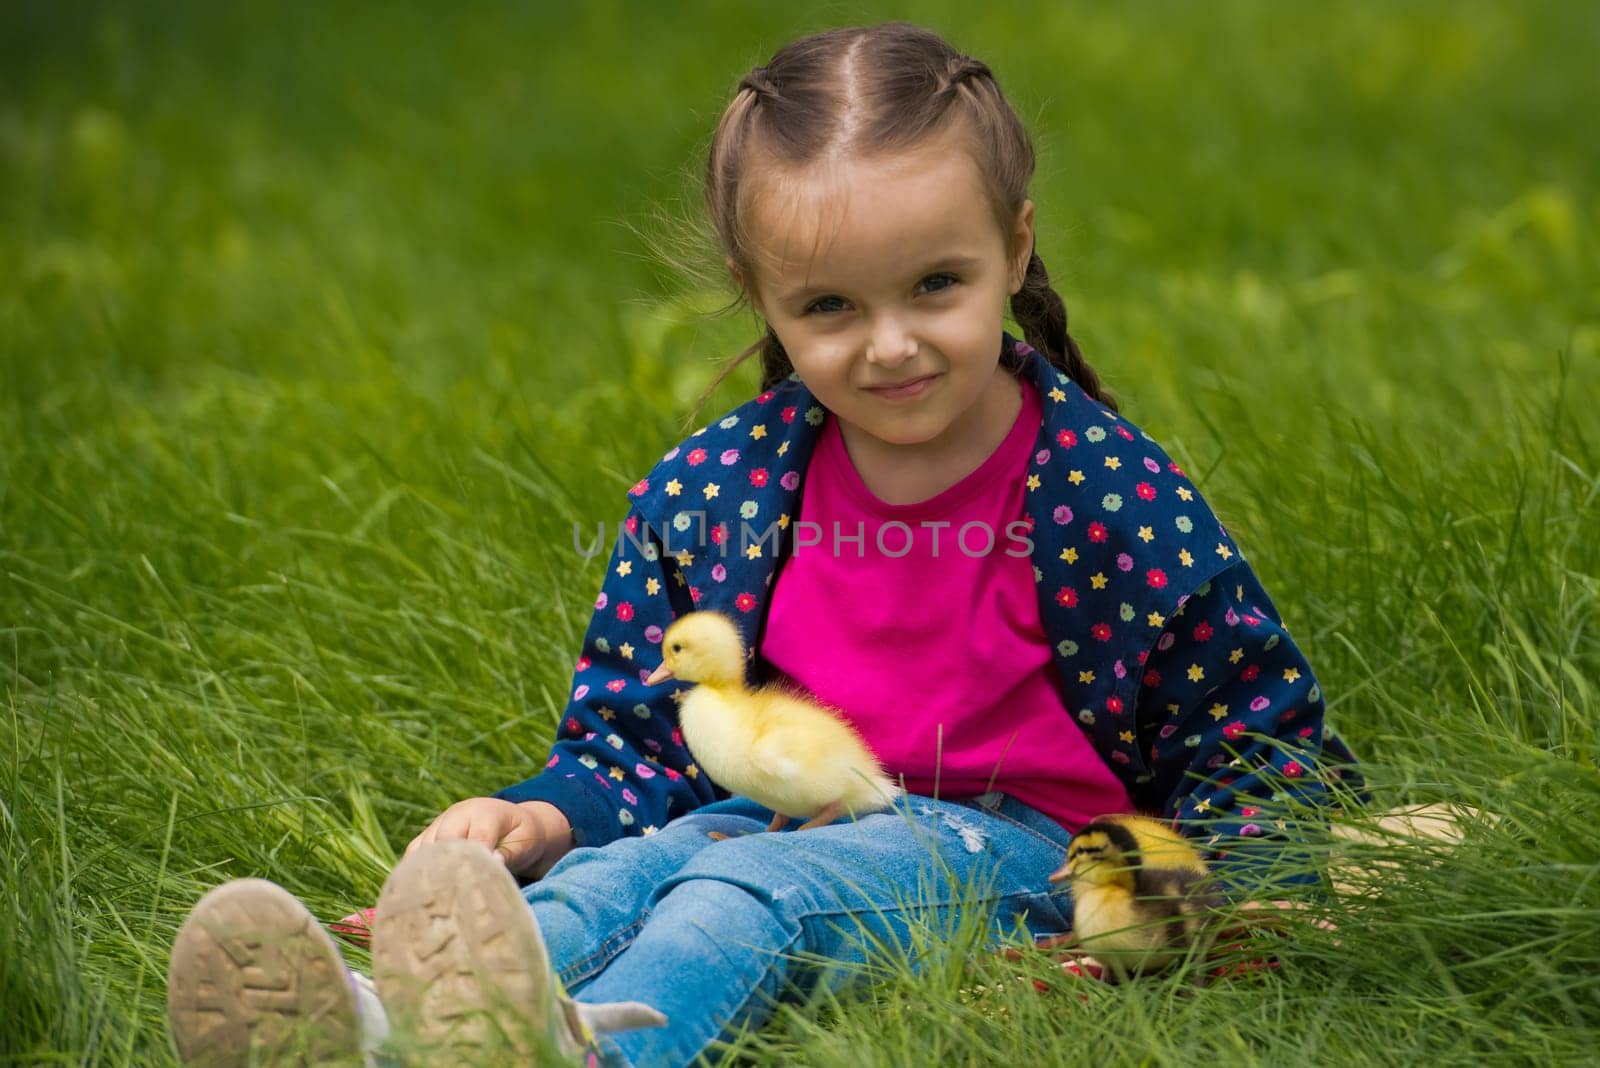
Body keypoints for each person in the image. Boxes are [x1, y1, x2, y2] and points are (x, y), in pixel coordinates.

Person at [166, 20, 1361, 1068]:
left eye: (936, 285)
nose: (890, 345)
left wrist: (1216, 908)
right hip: (776, 809)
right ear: (761, 294)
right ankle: (373, 1028)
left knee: (742, 897)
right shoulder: (720, 495)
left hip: (1009, 847)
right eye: (830, 307)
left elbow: (1251, 736)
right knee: (617, 882)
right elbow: (642, 736)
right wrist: (542, 818)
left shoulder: (1099, 495)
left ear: (1015, 245)